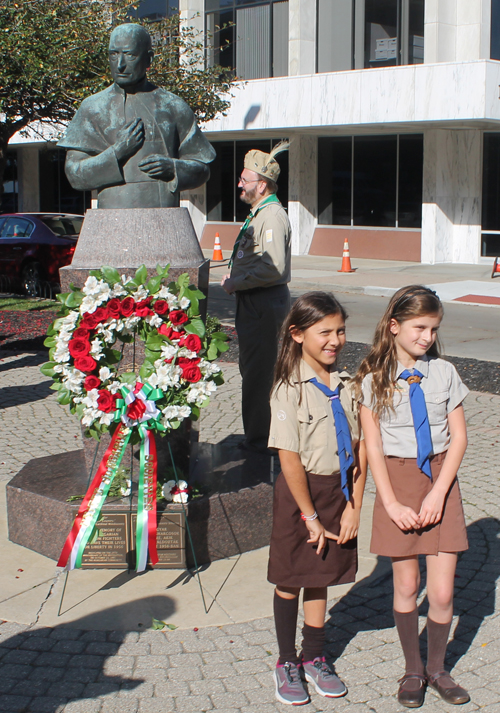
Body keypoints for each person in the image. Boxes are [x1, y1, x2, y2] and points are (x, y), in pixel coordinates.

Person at [355, 285, 470, 708]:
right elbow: (370, 448)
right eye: (420, 327)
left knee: (441, 594)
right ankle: (413, 670)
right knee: (407, 583)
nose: (428, 336)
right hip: (397, 483)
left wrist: (439, 493)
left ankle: (438, 668)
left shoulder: (444, 373)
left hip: (440, 480)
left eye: (434, 328)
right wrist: (390, 503)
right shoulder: (371, 380)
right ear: (394, 326)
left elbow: (458, 439)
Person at [267, 292, 367, 705]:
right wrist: (309, 516)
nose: (335, 340)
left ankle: (314, 656)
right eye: (324, 331)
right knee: (292, 579)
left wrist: (354, 508)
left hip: (337, 492)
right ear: (297, 334)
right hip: (299, 496)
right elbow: (289, 459)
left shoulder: (347, 387)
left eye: (340, 330)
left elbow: (360, 452)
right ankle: (287, 661)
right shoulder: (288, 390)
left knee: (321, 576)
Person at [58, 23, 215, 209]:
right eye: (114, 54)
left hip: (162, 219)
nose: (120, 65)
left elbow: (202, 168)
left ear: (148, 59)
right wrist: (117, 152)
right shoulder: (92, 108)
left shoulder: (173, 105)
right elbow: (74, 174)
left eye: (130, 55)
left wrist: (173, 168)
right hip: (111, 222)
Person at [221, 143, 291, 453]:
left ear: (261, 184)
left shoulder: (271, 216)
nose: (239, 184)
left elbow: (273, 268)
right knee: (254, 369)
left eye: (244, 179)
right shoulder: (260, 213)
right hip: (255, 302)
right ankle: (259, 435)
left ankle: (261, 440)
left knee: (259, 373)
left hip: (262, 302)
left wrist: (237, 282)